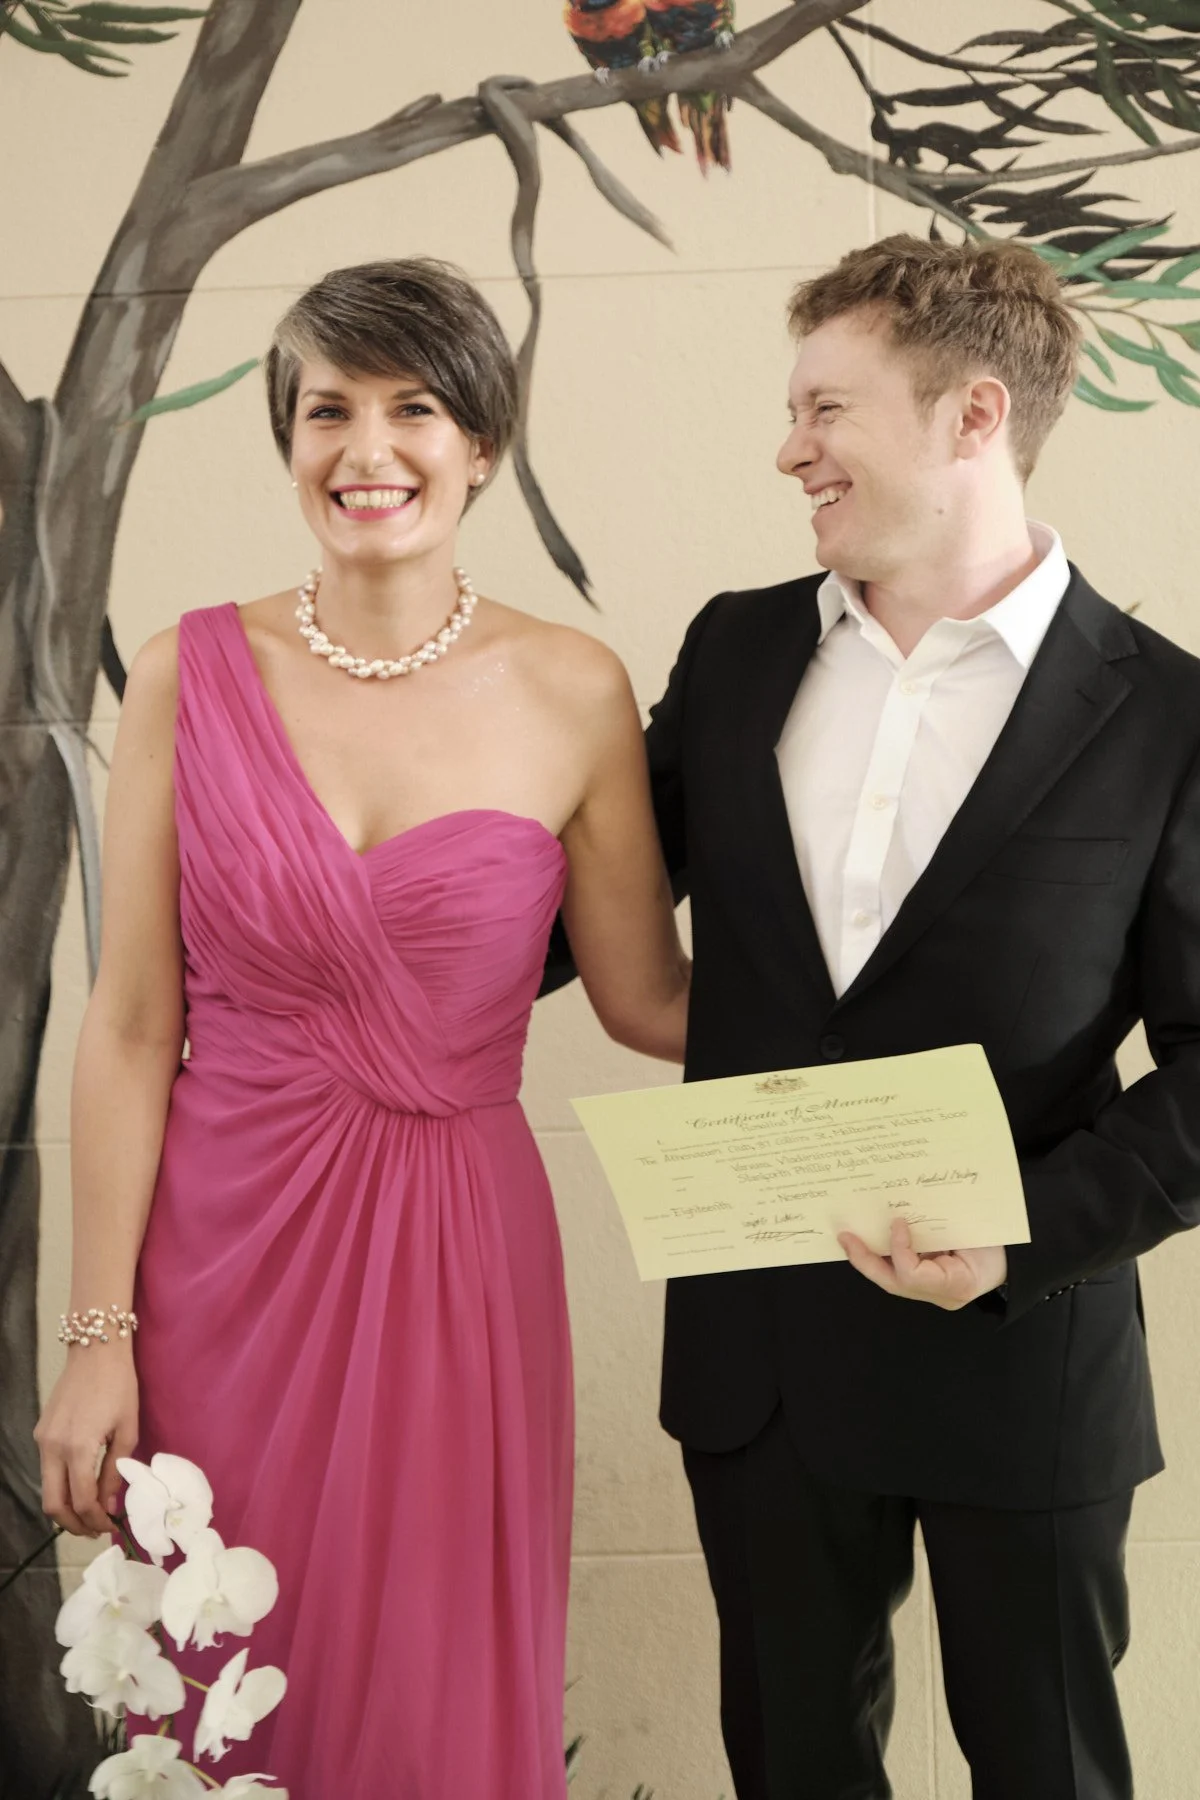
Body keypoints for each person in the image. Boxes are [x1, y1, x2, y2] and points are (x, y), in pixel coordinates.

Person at [34, 258, 690, 1800]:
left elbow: (646, 999)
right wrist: (95, 1336)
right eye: (328, 409)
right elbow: (129, 1026)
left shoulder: (575, 686)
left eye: (416, 409)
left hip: (457, 1256)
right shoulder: (187, 674)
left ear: (482, 445)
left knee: (433, 1692)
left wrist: (917, 1022)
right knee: (223, 1691)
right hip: (216, 1265)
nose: (368, 450)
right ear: (285, 437)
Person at [633, 236, 1200, 1798]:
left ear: (971, 416)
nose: (787, 447)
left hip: (1026, 1354)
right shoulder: (736, 650)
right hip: (761, 1363)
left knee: (1053, 1773)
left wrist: (1019, 1234)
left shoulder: (1169, 712)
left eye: (828, 406)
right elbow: (576, 908)